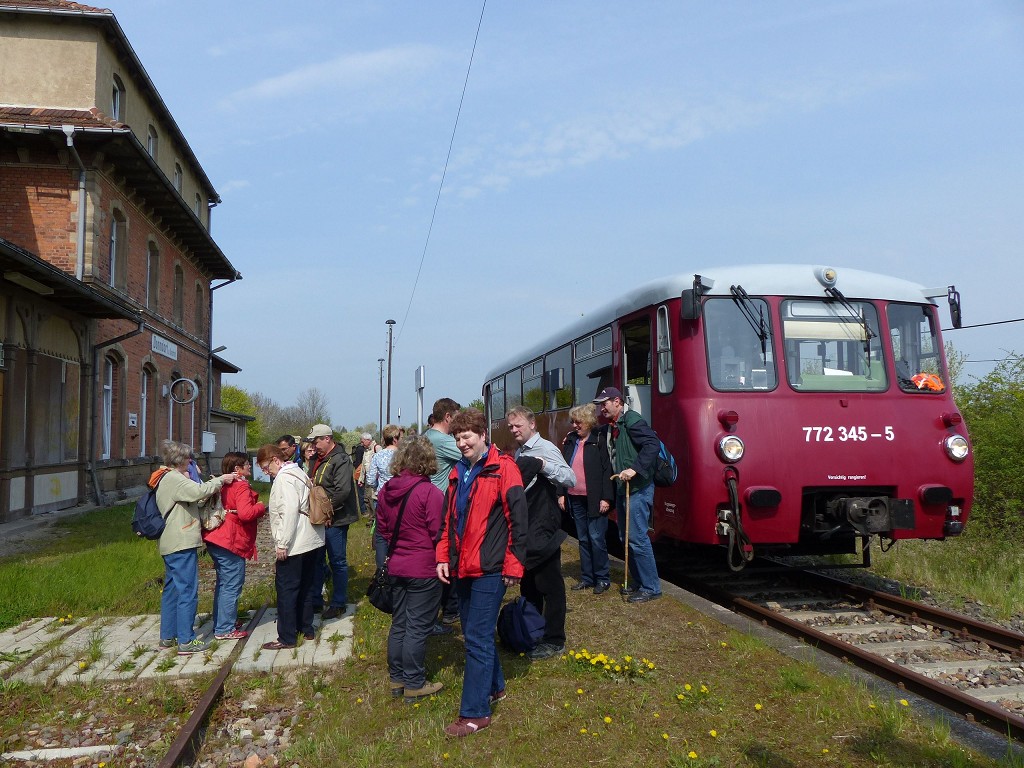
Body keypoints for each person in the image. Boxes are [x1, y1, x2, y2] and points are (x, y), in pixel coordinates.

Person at [436, 408, 528, 738]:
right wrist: (443, 555)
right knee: (478, 634)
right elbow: (450, 520)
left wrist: (514, 566)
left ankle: (475, 713)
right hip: (462, 566)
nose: (462, 443)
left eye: (467, 437)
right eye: (457, 438)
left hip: (490, 568)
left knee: (475, 637)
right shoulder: (458, 472)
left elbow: (519, 520)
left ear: (483, 435)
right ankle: (497, 688)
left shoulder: (504, 468)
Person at [376, 435, 446, 702]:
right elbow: (438, 531)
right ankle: (415, 682)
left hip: (396, 565)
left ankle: (397, 678)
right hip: (423, 567)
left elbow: (382, 530)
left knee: (400, 624)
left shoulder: (387, 490)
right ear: (427, 460)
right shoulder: (430, 492)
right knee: (417, 627)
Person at [154, 440, 237, 655]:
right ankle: (186, 640)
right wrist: (221, 480)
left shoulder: (167, 477)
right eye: (189, 458)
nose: (191, 461)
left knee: (172, 589)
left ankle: (168, 636)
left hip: (170, 542)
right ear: (180, 460)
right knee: (187, 591)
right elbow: (200, 492)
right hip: (181, 542)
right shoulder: (174, 479)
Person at [506, 406, 576, 660]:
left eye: (518, 425)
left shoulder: (545, 449)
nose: (514, 430)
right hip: (527, 526)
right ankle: (531, 628)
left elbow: (570, 478)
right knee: (529, 583)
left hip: (544, 527)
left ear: (532, 424)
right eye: (511, 427)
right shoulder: (520, 451)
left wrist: (545, 465)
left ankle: (555, 639)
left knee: (550, 583)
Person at [593, 387, 663, 603]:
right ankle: (640, 581)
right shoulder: (615, 425)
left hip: (638, 488)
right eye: (600, 404)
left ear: (617, 401)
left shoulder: (632, 419)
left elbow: (652, 444)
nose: (601, 408)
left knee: (637, 538)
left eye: (604, 403)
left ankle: (651, 587)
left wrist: (635, 469)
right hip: (625, 489)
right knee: (626, 538)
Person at [258, 443, 326, 649]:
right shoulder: (298, 472)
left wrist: (282, 544)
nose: (265, 472)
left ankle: (287, 637)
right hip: (311, 539)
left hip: (296, 542)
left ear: (276, 461)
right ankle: (306, 628)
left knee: (287, 589)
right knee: (305, 586)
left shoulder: (284, 479)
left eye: (266, 468)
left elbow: (288, 512)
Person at [202, 452, 267, 640]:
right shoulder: (241, 486)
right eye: (246, 464)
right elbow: (246, 514)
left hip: (217, 538)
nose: (249, 467)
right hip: (231, 539)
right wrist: (261, 507)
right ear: (237, 469)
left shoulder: (224, 484)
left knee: (223, 583)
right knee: (232, 584)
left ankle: (222, 620)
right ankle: (224, 628)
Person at [305, 424, 360, 620]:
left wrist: (327, 512)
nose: (314, 445)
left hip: (336, 519)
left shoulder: (341, 460)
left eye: (317, 441)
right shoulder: (316, 459)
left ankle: (338, 603)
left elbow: (342, 491)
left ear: (327, 438)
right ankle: (315, 600)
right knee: (317, 560)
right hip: (320, 518)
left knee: (337, 561)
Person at [559, 404, 614, 594]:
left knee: (597, 538)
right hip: (575, 497)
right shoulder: (571, 440)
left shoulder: (599, 439)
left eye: (578, 422)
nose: (575, 425)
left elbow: (607, 470)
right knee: (583, 539)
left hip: (595, 498)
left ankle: (603, 578)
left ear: (589, 422)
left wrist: (606, 498)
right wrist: (561, 493)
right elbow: (562, 468)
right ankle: (587, 578)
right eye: (573, 422)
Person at [424, 397, 462, 633]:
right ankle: (447, 611)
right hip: (441, 507)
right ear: (448, 417)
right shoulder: (444, 441)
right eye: (456, 417)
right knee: (446, 558)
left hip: (428, 506)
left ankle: (443, 610)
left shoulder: (426, 436)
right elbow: (473, 454)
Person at [367, 424, 401, 566]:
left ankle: (382, 570)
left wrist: (378, 485)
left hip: (383, 498)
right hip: (401, 499)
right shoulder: (402, 456)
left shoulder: (378, 456)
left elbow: (370, 479)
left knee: (382, 536)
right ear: (395, 439)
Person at [359, 433, 383, 518]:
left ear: (368, 440)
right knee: (366, 498)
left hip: (375, 479)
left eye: (362, 442)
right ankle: (371, 516)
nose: (361, 444)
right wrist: (361, 479)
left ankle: (375, 517)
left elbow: (381, 464)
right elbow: (363, 466)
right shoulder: (366, 450)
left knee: (373, 498)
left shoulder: (377, 448)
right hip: (367, 478)